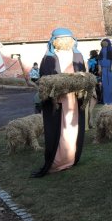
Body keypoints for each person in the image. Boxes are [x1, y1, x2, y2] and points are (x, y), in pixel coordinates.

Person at [31, 28, 88, 178]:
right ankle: (61, 160)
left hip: (73, 99)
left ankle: (67, 158)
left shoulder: (72, 55)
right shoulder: (51, 58)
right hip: (59, 100)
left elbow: (83, 75)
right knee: (62, 129)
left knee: (69, 128)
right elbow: (46, 81)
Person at [98, 38, 112, 105]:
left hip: (109, 70)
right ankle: (106, 101)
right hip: (104, 70)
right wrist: (100, 69)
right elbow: (99, 61)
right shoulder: (101, 52)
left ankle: (110, 101)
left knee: (110, 86)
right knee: (105, 86)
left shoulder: (111, 52)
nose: (104, 44)